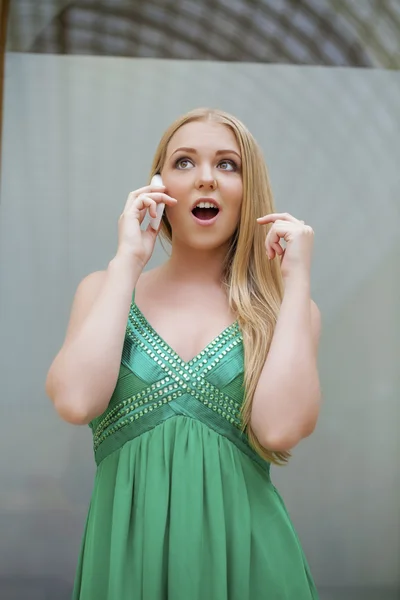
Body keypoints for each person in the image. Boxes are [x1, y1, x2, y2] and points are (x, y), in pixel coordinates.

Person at [46, 107, 321, 599]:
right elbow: (74, 402)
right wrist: (128, 260)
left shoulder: (287, 312)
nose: (206, 180)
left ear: (248, 189)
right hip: (129, 567)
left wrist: (297, 281)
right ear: (159, 187)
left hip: (252, 568)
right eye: (185, 162)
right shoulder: (104, 290)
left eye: (227, 165)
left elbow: (280, 430)